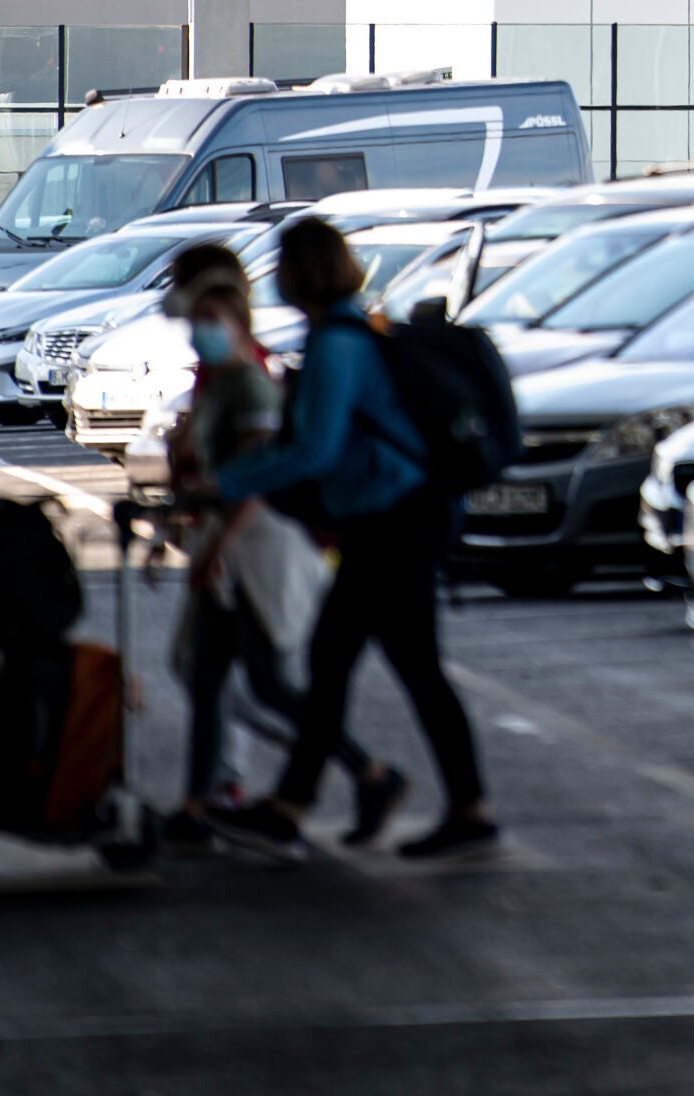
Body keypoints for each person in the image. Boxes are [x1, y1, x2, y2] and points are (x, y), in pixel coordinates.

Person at [202, 217, 498, 862]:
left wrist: (227, 481)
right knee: (380, 665)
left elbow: (314, 449)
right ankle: (460, 806)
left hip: (392, 521)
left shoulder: (339, 343)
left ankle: (294, 808)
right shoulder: (352, 329)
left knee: (347, 661)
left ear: (298, 272)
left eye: (281, 263)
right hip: (395, 517)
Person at [158, 242, 407, 850]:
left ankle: (367, 771)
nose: (198, 332)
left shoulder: (251, 381)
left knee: (264, 683)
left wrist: (216, 547)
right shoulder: (216, 382)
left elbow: (267, 475)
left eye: (207, 321)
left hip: (254, 551)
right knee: (208, 674)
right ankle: (196, 806)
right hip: (228, 549)